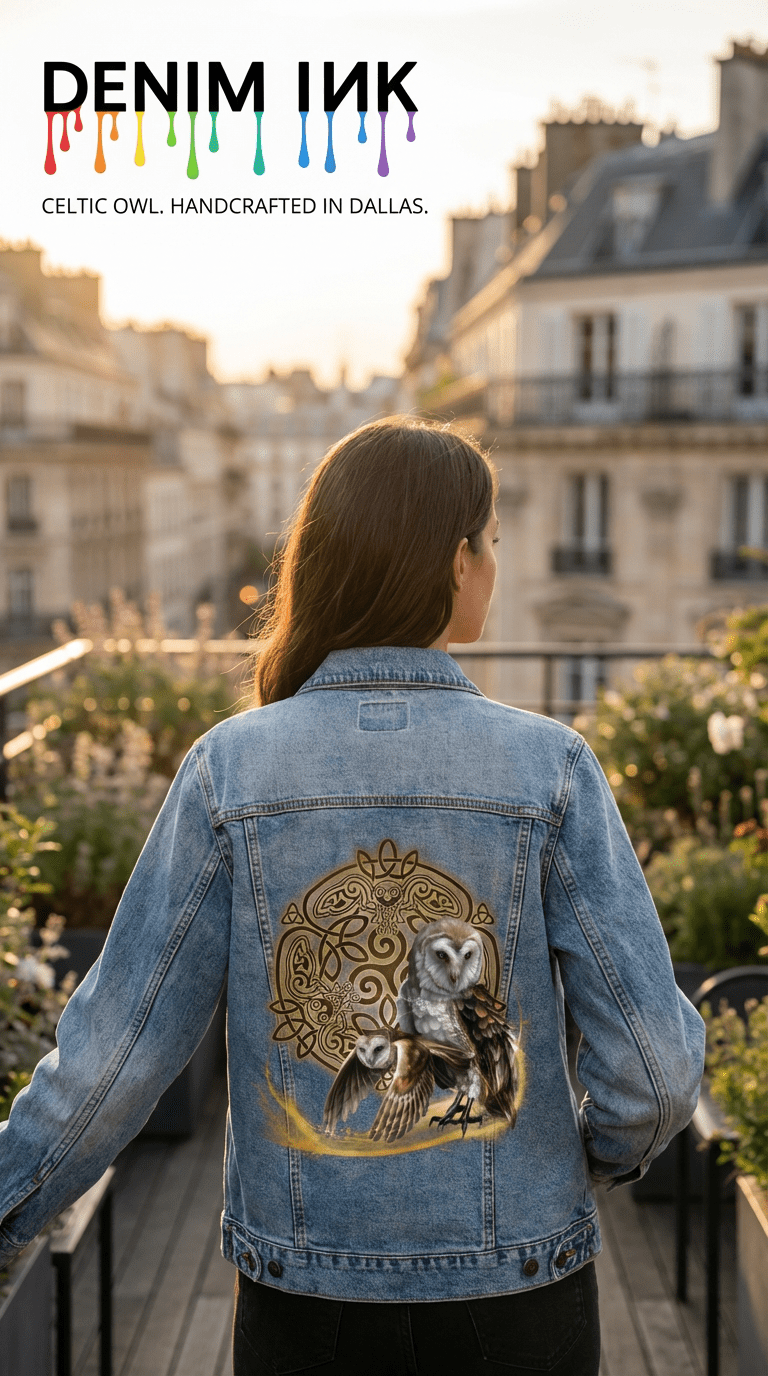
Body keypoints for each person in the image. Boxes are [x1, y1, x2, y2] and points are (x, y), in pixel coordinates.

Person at [0, 418, 704, 1374]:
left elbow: (112, 1061)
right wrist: (592, 1158)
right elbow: (654, 1068)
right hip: (521, 1291)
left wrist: (6, 1214)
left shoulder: (226, 773)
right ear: (457, 562)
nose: (494, 563)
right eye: (490, 542)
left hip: (307, 1300)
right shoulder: (553, 769)